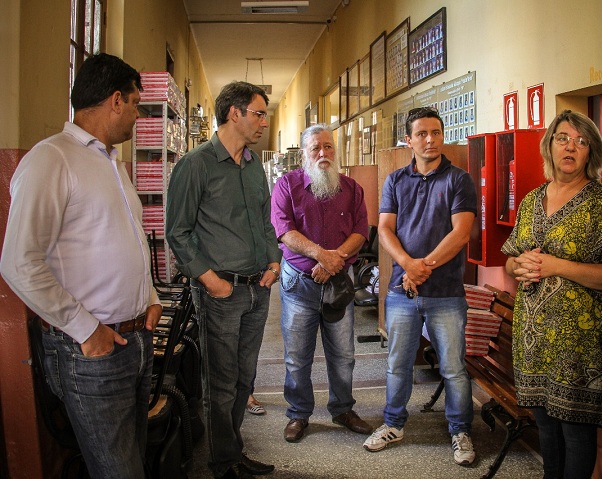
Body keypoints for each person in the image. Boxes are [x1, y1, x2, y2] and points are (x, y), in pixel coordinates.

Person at [0, 53, 162, 478]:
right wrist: (87, 331)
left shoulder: (110, 162)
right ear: (115, 100)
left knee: (134, 463)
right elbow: (19, 261)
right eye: (135, 104)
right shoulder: (51, 159)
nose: (137, 115)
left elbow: (123, 239)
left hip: (133, 341)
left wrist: (150, 297)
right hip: (91, 353)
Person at [501, 110, 602, 478]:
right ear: (549, 145)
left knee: (577, 435)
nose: (571, 146)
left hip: (581, 347)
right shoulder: (532, 200)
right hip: (534, 343)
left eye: (582, 142)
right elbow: (509, 260)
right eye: (563, 138)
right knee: (548, 433)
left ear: (591, 154)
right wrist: (518, 266)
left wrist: (555, 266)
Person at [165, 81, 281, 479]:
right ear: (235, 113)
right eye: (259, 113)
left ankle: (232, 449)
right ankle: (222, 462)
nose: (264, 121)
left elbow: (266, 223)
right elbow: (177, 232)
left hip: (257, 289)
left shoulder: (253, 167)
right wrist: (211, 281)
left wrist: (274, 262)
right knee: (221, 381)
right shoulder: (195, 164)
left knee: (245, 378)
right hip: (221, 293)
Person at [363, 107, 477, 467]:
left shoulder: (459, 180)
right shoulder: (396, 180)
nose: (430, 139)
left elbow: (461, 234)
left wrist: (422, 266)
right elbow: (384, 229)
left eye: (436, 132)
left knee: (453, 368)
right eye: (422, 133)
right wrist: (408, 266)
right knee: (398, 364)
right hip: (402, 291)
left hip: (445, 292)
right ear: (409, 140)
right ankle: (394, 424)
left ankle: (460, 430)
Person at [270, 124, 372, 443]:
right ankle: (299, 414)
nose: (323, 153)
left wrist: (335, 259)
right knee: (297, 355)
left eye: (328, 147)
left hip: (339, 282)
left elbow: (361, 231)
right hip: (299, 283)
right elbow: (285, 231)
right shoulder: (287, 185)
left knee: (343, 354)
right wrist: (320, 255)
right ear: (304, 153)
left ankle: (342, 409)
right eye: (316, 148)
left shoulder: (352, 188)